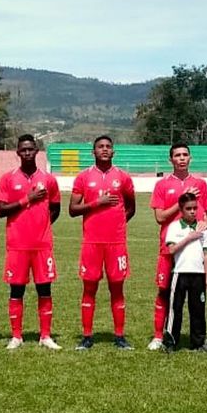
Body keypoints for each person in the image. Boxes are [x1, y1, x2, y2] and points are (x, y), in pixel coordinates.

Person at [69, 135, 136, 350]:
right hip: (92, 242)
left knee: (117, 288)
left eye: (108, 146)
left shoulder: (123, 177)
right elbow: (72, 209)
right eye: (100, 147)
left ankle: (119, 336)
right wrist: (98, 203)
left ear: (113, 151)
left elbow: (131, 207)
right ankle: (87, 336)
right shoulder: (83, 177)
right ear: (93, 152)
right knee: (89, 288)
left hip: (116, 243)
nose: (104, 149)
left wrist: (118, 224)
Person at [0, 134, 62, 350]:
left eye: (30, 149)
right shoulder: (8, 179)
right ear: (18, 152)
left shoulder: (48, 180)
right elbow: (0, 210)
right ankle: (16, 336)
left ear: (36, 151)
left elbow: (56, 208)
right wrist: (27, 200)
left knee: (44, 289)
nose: (27, 153)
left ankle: (45, 336)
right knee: (17, 291)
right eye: (23, 150)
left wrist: (42, 224)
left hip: (42, 245)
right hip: (17, 245)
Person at [148, 143, 207, 351]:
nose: (182, 158)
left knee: (197, 298)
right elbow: (160, 217)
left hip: (194, 250)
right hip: (170, 248)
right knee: (164, 292)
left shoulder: (201, 184)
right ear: (171, 160)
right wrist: (181, 201)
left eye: (185, 154)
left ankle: (200, 338)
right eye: (177, 155)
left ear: (190, 158)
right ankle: (159, 336)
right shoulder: (162, 185)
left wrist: (205, 224)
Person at [163, 192, 207, 352]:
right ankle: (171, 341)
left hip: (198, 274)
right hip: (179, 273)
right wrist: (189, 238)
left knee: (198, 309)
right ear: (181, 210)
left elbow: (205, 254)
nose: (192, 211)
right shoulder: (174, 227)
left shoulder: (203, 228)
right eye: (188, 209)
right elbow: (171, 249)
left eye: (194, 208)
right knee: (175, 308)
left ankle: (198, 342)